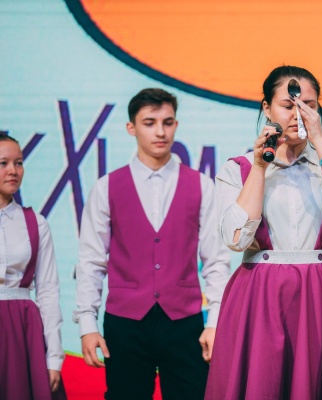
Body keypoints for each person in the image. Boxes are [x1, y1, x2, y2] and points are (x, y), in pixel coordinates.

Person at [205, 66, 322, 399]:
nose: (298, 114)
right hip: (260, 292)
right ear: (267, 108)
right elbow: (236, 238)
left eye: (308, 105)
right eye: (288, 105)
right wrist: (260, 166)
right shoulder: (239, 168)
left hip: (320, 290)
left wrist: (319, 140)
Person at [73, 88, 231, 399]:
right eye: (149, 123)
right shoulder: (106, 187)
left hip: (184, 323)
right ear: (131, 128)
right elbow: (91, 261)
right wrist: (87, 325)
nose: (160, 132)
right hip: (125, 324)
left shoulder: (201, 185)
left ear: (176, 125)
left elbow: (216, 260)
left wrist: (215, 322)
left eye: (167, 122)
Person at [0, 134, 67, 400]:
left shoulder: (35, 223)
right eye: (3, 163)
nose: (13, 171)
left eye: (19, 163)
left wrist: (54, 358)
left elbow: (48, 293)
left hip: (22, 329)